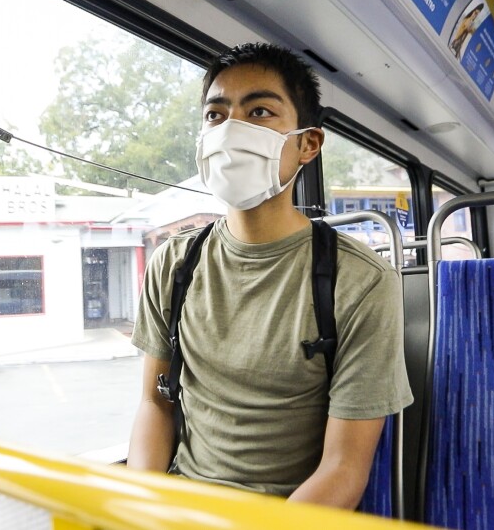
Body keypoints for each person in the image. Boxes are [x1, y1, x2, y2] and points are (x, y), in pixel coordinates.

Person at [126, 42, 413, 509]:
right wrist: (140, 505)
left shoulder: (360, 281)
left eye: (259, 112)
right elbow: (156, 404)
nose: (231, 129)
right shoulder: (174, 265)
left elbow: (344, 467)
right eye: (216, 116)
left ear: (307, 144)